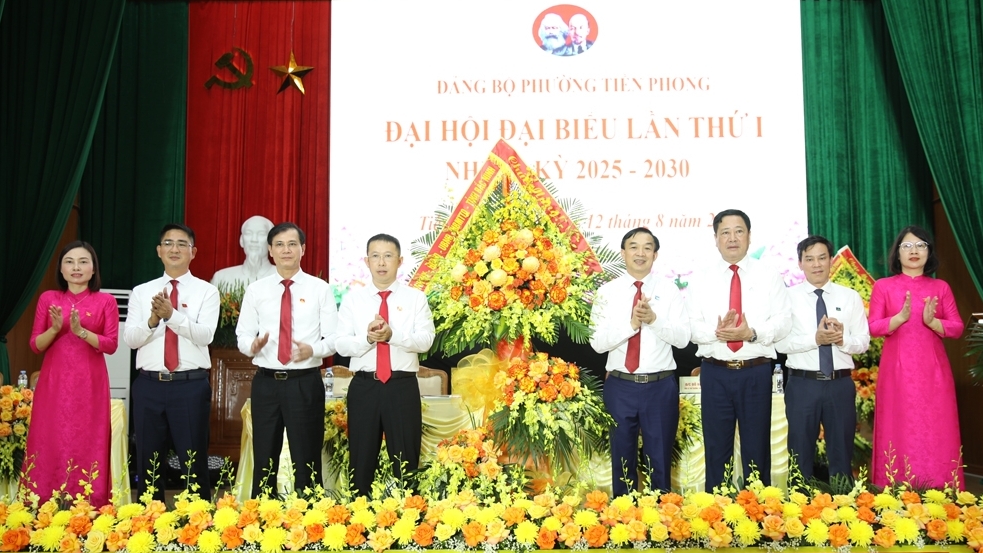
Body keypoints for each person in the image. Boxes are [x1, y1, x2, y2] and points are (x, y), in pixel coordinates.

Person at [687, 209, 791, 490]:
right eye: (725, 232)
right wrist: (717, 333)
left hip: (755, 371)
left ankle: (758, 510)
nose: (732, 238)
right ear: (715, 238)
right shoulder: (700, 278)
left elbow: (784, 322)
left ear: (749, 236)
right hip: (715, 373)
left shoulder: (769, 275)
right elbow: (691, 326)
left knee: (757, 449)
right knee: (716, 449)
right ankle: (716, 509)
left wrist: (751, 333)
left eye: (738, 231)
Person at [236, 222, 337, 497]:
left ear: (303, 249)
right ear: (270, 250)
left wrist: (312, 350)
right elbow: (243, 335)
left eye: (292, 244)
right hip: (266, 383)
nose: (286, 250)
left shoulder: (320, 289)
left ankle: (309, 516)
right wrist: (252, 346)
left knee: (307, 459)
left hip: (304, 382)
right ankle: (263, 514)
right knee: (264, 458)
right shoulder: (256, 290)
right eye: (279, 245)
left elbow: (334, 339)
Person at [590, 228, 689, 495]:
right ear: (623, 253)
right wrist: (632, 324)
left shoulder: (670, 291)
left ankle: (662, 514)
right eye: (634, 247)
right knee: (622, 458)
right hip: (620, 385)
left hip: (660, 386)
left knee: (660, 459)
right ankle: (624, 513)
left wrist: (654, 320)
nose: (640, 253)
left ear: (655, 255)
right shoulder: (607, 292)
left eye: (647, 247)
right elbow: (597, 343)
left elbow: (683, 339)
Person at [124, 224, 219, 501]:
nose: (174, 249)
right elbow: (131, 339)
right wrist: (153, 321)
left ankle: (198, 520)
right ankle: (148, 520)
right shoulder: (141, 292)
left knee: (193, 461)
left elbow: (205, 335)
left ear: (193, 252)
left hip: (190, 386)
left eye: (181, 244)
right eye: (168, 243)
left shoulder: (206, 292)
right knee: (148, 462)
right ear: (158, 251)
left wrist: (172, 315)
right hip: (149, 385)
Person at [335, 234, 435, 498]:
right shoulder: (353, 300)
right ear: (366, 261)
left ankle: (409, 514)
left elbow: (426, 341)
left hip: (402, 387)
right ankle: (360, 514)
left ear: (400, 261)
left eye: (388, 256)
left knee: (406, 460)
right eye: (376, 256)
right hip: (364, 387)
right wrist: (368, 339)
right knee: (361, 459)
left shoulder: (416, 299)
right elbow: (341, 345)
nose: (382, 263)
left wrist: (393, 336)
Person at [868, 225, 964, 489]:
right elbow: (873, 327)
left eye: (921, 245)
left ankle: (942, 492)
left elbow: (957, 327)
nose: (914, 251)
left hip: (934, 373)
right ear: (897, 253)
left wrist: (933, 322)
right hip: (896, 373)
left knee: (937, 431)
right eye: (907, 246)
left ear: (929, 252)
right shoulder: (884, 287)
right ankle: (894, 491)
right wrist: (899, 318)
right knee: (897, 429)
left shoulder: (940, 287)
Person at [25, 241, 118, 506]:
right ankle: (43, 503)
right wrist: (55, 329)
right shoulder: (49, 299)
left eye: (83, 261)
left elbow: (111, 345)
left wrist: (81, 332)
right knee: (49, 438)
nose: (76, 267)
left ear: (93, 269)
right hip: (54, 384)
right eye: (69, 262)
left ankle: (89, 504)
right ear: (61, 269)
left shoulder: (106, 301)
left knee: (88, 441)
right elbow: (35, 345)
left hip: (90, 384)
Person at [776, 235, 869, 481]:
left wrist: (841, 340)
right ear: (800, 263)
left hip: (840, 384)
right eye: (809, 259)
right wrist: (815, 339)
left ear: (831, 261)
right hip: (802, 384)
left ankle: (843, 501)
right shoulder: (787, 298)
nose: (816, 264)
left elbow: (863, 342)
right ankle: (800, 501)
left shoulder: (850, 297)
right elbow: (780, 343)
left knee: (842, 454)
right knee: (800, 452)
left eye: (822, 258)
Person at [211, 215, 277, 288]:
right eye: (248, 233)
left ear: (272, 242)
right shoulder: (222, 278)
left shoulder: (283, 277)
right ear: (241, 240)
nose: (254, 240)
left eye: (261, 234)